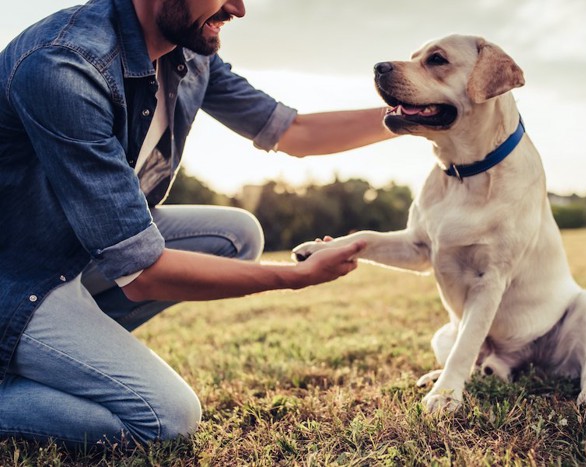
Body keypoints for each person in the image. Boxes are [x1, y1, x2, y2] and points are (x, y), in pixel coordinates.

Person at [0, 0, 395, 447]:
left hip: (73, 250)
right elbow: (142, 272)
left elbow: (295, 132)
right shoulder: (64, 64)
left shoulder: (186, 50)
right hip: (19, 276)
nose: (239, 9)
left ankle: (49, 358)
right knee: (166, 418)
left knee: (237, 235)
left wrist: (410, 117)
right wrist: (292, 276)